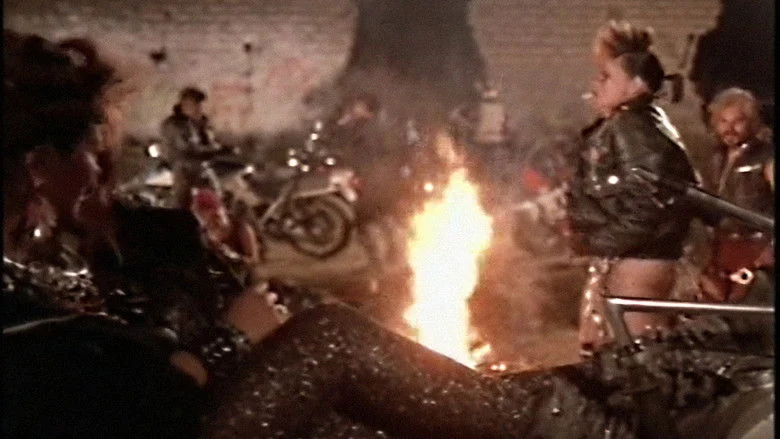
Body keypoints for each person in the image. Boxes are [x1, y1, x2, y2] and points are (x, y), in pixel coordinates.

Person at [4, 30, 771, 439]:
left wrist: (221, 270)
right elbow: (134, 412)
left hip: (282, 409)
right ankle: (604, 421)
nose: (103, 174)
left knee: (379, 402)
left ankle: (634, 399)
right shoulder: (22, 322)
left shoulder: (111, 242)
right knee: (331, 338)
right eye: (91, 157)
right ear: (40, 167)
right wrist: (231, 340)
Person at [565, 21, 700, 355]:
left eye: (606, 77)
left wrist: (595, 241)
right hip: (627, 260)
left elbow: (649, 206)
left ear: (636, 86)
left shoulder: (634, 128)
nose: (596, 84)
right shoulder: (631, 123)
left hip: (638, 265)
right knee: (610, 355)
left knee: (638, 360)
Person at [698, 87, 774, 304]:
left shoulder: (766, 156)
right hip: (722, 248)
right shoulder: (716, 158)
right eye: (723, 121)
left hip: (757, 248)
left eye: (738, 121)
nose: (729, 128)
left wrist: (771, 248)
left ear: (751, 122)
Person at [161, 86, 221, 208]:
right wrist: (215, 149)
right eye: (195, 105)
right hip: (182, 165)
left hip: (200, 164)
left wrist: (217, 148)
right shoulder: (175, 124)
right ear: (184, 105)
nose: (199, 109)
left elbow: (209, 141)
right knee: (184, 197)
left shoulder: (201, 122)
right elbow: (187, 147)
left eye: (200, 105)